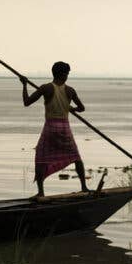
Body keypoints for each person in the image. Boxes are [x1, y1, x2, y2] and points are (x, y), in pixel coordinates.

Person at [21, 61, 88, 197]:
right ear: (62, 74)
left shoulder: (46, 88)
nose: (67, 76)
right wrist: (71, 108)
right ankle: (84, 187)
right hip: (65, 128)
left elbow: (26, 102)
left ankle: (41, 192)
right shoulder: (70, 90)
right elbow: (82, 108)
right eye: (67, 73)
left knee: (41, 157)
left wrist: (24, 85)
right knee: (76, 157)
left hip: (50, 127)